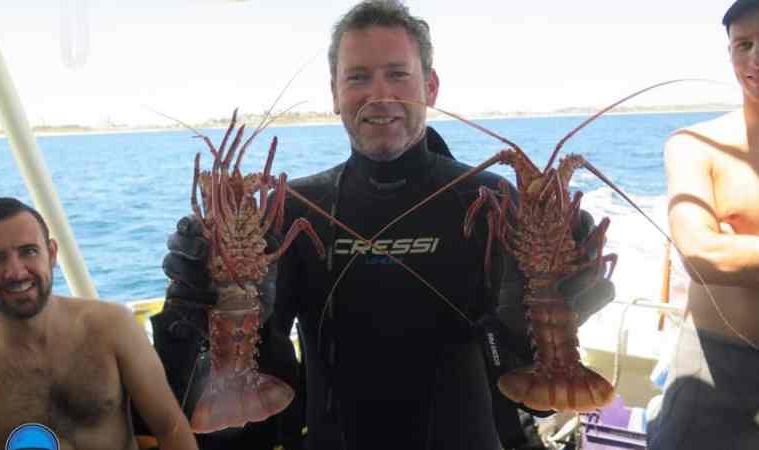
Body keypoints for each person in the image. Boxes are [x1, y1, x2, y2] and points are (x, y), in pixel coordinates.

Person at [161, 1, 615, 449]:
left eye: (397, 74)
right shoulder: (293, 208)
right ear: (335, 92)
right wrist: (192, 324)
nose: (379, 94)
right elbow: (255, 411)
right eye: (358, 76)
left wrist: (566, 306)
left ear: (431, 86)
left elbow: (527, 392)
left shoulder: (493, 200)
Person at [646, 1, 759, 448]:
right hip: (712, 368)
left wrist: (750, 250)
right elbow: (703, 256)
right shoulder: (695, 145)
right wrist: (723, 253)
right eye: (742, 44)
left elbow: (725, 255)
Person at [0, 197, 199, 450]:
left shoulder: (112, 327)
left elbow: (170, 428)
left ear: (52, 253)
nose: (16, 272)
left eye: (28, 251)